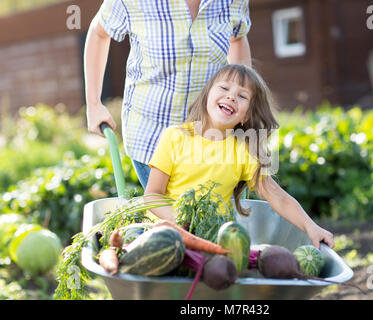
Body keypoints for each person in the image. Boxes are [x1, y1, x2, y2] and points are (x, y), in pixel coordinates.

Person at [144, 64, 335, 249]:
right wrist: (181, 221)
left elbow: (278, 197)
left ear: (246, 116)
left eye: (242, 96)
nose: (231, 96)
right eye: (224, 87)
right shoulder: (176, 136)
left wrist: (311, 226)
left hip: (213, 239)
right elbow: (152, 195)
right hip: (166, 233)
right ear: (207, 95)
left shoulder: (243, 150)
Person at [84, 0, 252, 189]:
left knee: (212, 213)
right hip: (151, 134)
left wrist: (244, 101)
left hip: (211, 137)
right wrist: (93, 104)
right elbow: (99, 32)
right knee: (176, 214)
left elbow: (237, 38)